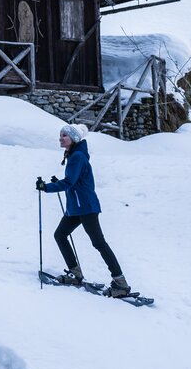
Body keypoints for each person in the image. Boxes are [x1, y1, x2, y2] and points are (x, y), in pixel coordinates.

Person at [36, 123, 132, 297]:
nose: (61, 138)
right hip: (77, 207)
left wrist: (46, 187)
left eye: (64, 135)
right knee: (60, 234)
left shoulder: (77, 156)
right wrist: (60, 182)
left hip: (86, 207)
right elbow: (73, 181)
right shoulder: (74, 154)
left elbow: (69, 182)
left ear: (74, 138)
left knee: (99, 243)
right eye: (60, 135)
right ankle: (76, 273)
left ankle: (121, 283)